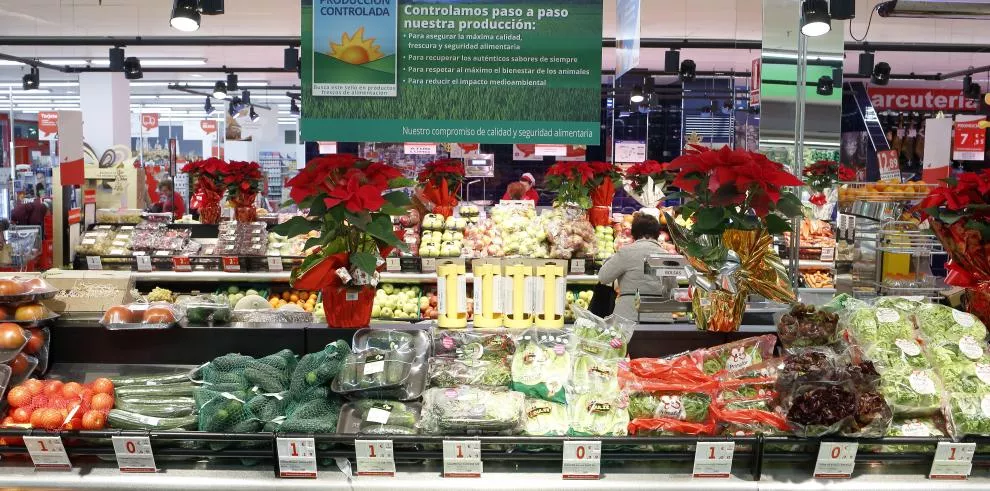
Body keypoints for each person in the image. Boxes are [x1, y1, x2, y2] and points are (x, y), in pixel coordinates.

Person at [596, 213, 667, 322]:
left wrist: (611, 259)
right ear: (657, 233)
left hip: (628, 316)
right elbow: (672, 288)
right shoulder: (666, 255)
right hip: (661, 317)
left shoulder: (626, 252)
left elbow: (603, 277)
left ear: (633, 233)